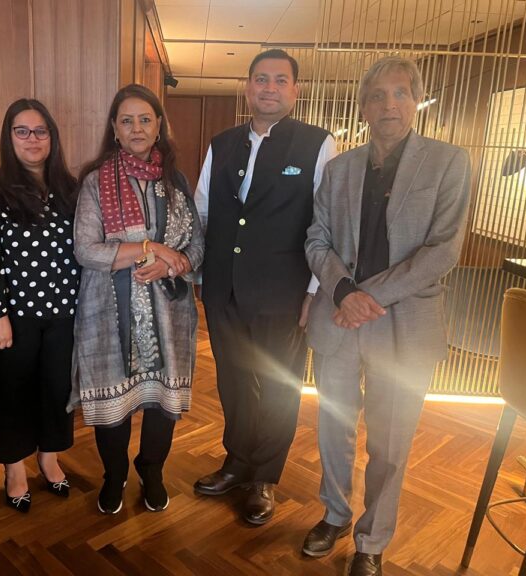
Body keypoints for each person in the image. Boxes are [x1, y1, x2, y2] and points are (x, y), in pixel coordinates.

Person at [302, 56, 471, 576]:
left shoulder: (449, 162)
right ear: (364, 106)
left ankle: (371, 542)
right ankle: (334, 513)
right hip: (339, 320)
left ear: (417, 101)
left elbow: (442, 251)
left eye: (400, 93)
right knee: (333, 429)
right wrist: (344, 291)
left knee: (391, 439)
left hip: (405, 326)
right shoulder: (339, 169)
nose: (389, 104)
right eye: (378, 95)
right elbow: (316, 240)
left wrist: (365, 297)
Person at [192, 49, 336, 525]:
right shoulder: (222, 142)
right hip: (224, 289)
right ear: (247, 87)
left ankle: (264, 478)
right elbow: (203, 211)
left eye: (280, 80)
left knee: (278, 385)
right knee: (233, 380)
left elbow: (326, 224)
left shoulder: (318, 144)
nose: (269, 87)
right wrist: (199, 274)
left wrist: (315, 290)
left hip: (284, 292)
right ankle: (236, 461)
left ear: (295, 90)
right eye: (260, 79)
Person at [69, 84, 204, 515]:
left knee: (162, 405)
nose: (137, 128)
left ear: (159, 125)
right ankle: (114, 475)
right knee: (114, 406)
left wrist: (172, 262)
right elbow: (85, 249)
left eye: (145, 119)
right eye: (126, 120)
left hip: (169, 312)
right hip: (109, 313)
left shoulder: (177, 182)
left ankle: (152, 472)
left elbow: (198, 247)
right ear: (114, 128)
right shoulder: (94, 182)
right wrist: (151, 249)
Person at [0, 98, 79, 513]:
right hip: (13, 316)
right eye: (22, 131)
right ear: (9, 136)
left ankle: (49, 457)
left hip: (65, 312)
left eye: (41, 131)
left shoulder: (69, 187)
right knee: (12, 392)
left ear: (52, 137)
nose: (33, 139)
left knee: (56, 389)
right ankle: (14, 467)